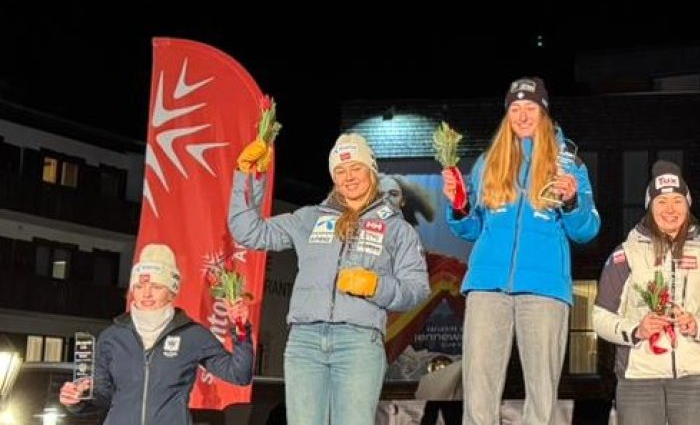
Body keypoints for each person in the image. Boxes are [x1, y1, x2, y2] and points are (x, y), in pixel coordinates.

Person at [229, 133, 431, 425]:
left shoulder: (397, 229)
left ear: (371, 170)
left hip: (359, 342)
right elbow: (248, 231)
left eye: (356, 168)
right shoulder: (309, 218)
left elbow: (417, 288)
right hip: (305, 341)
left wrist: (377, 286)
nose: (349, 177)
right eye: (340, 170)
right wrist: (249, 176)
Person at [441, 77, 600, 425]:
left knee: (541, 399)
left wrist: (572, 201)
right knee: (478, 394)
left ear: (544, 112)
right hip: (487, 285)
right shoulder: (488, 162)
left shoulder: (568, 163)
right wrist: (458, 206)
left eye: (531, 107)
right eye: (516, 108)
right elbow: (472, 229)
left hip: (544, 289)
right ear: (507, 114)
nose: (523, 115)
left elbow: (587, 230)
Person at [593, 161, 700, 425]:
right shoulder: (625, 254)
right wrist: (637, 330)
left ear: (688, 205)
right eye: (661, 202)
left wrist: (698, 325)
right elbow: (600, 317)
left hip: (695, 379)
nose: (670, 209)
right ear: (649, 206)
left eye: (677, 201)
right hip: (639, 379)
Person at [58, 243, 254, 424]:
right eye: (139, 286)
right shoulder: (112, 336)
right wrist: (76, 400)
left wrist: (241, 329)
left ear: (171, 291)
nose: (146, 294)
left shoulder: (192, 335)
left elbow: (240, 375)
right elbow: (102, 396)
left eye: (156, 287)